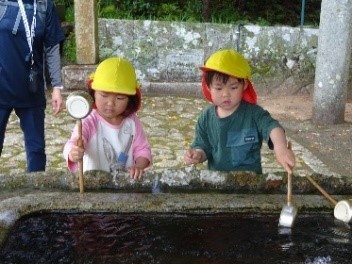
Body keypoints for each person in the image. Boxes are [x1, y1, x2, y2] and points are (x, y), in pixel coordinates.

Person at [184, 49, 295, 174]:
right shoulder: (205, 118)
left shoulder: (254, 114)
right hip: (217, 184)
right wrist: (197, 154)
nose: (226, 94)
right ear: (208, 87)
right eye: (219, 88)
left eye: (233, 87)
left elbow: (273, 128)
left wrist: (281, 149)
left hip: (249, 185)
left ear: (245, 85)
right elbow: (203, 147)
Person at [0, 0, 65, 172]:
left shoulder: (44, 6)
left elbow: (52, 48)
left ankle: (36, 194)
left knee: (36, 149)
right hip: (1, 87)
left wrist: (57, 87)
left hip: (31, 88)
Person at [63, 57, 152, 180]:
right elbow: (75, 141)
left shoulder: (132, 122)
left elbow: (142, 149)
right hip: (94, 186)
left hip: (125, 187)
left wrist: (139, 166)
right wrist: (73, 152)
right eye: (104, 95)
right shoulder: (89, 121)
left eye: (120, 98)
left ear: (130, 99)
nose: (110, 103)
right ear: (93, 92)